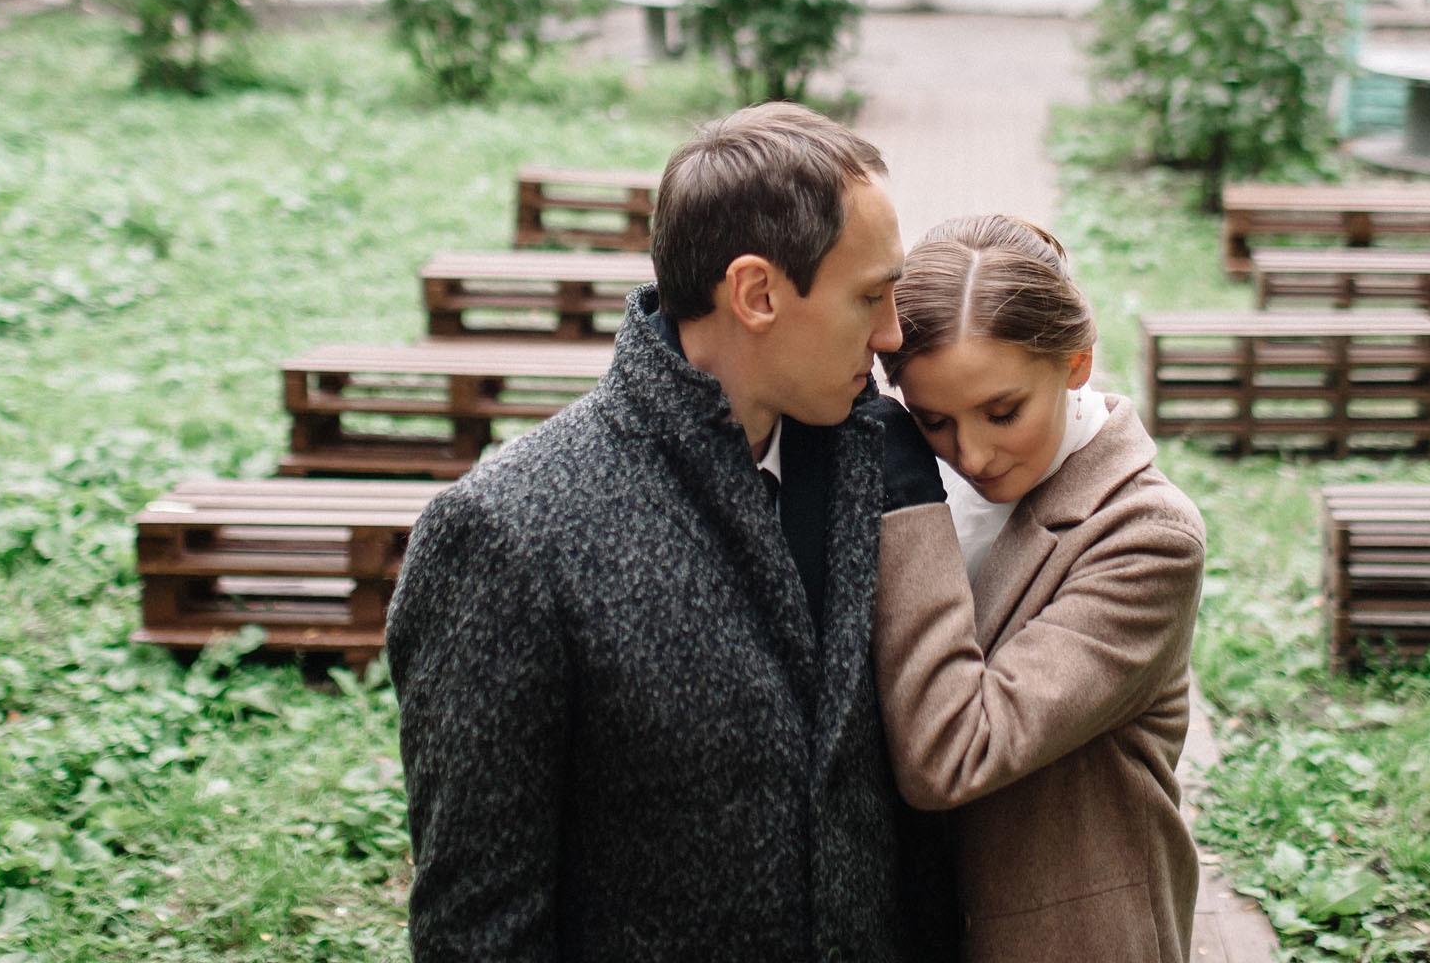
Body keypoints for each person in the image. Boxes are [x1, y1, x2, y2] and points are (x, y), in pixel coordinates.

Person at [385, 103, 951, 962]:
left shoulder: (879, 456)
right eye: (869, 296)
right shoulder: (505, 536)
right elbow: (479, 929)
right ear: (756, 292)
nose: (892, 335)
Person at [868, 214, 1206, 963]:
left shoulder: (1146, 536)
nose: (974, 454)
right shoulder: (937, 479)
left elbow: (955, 750)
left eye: (1003, 411)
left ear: (1077, 363)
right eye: (934, 422)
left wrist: (911, 502)